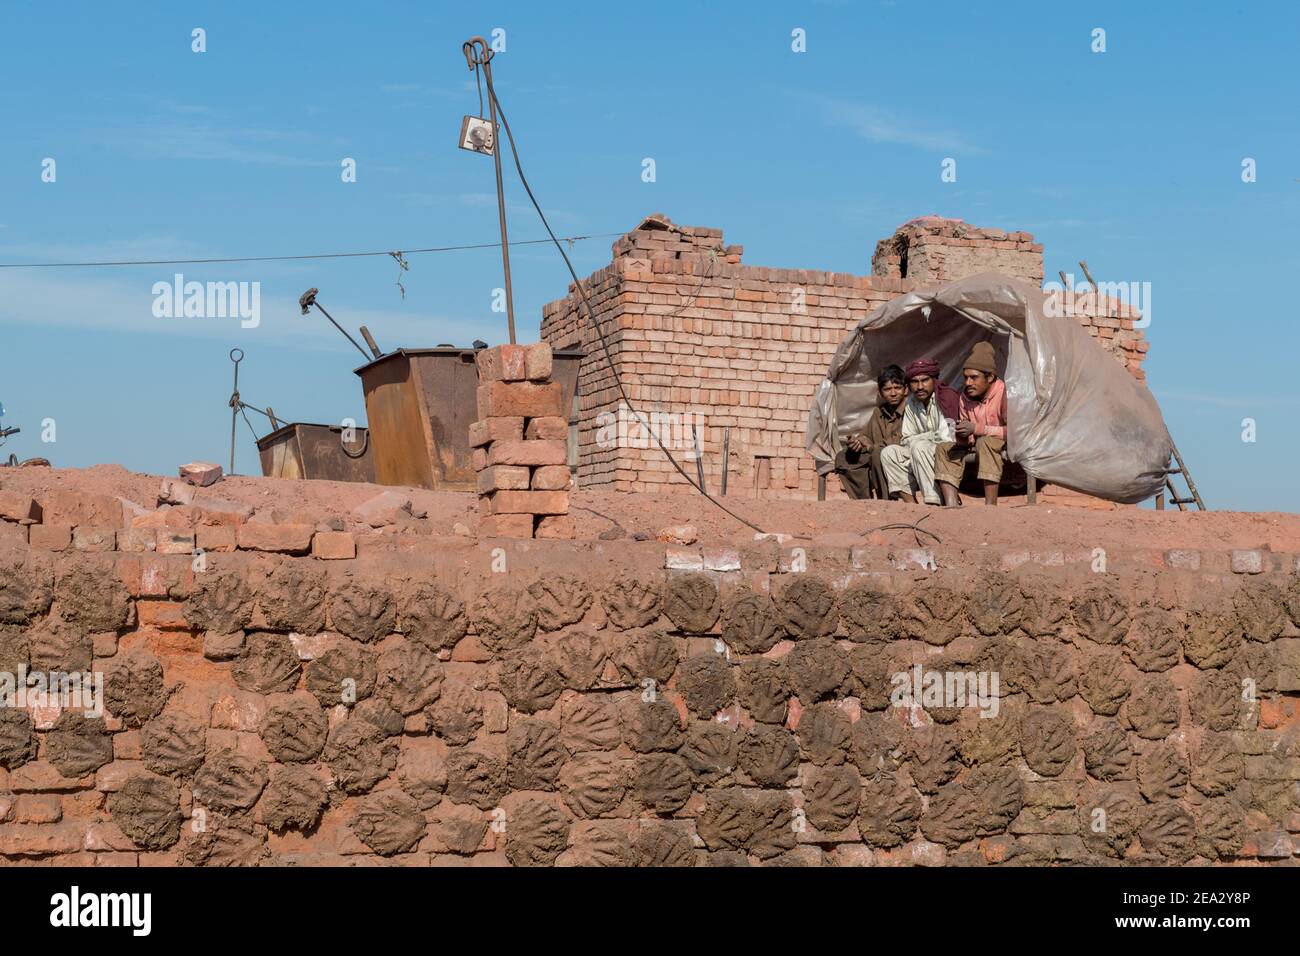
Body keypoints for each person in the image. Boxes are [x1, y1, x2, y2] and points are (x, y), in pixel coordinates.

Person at [934, 341, 1008, 506]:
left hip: (1003, 444)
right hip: (978, 443)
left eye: (974, 378)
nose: (968, 383)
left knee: (985, 442)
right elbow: (969, 439)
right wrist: (962, 435)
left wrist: (977, 429)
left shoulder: (1005, 393)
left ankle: (990, 505)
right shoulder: (964, 397)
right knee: (943, 449)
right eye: (966, 377)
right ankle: (951, 504)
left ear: (990, 377)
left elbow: (1016, 432)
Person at [880, 358, 961, 505]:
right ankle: (911, 505)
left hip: (948, 450)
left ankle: (933, 502)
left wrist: (919, 439)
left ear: (934, 380)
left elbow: (946, 437)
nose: (919, 386)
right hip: (921, 451)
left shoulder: (946, 397)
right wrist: (924, 438)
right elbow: (905, 439)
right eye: (914, 382)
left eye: (924, 380)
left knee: (919, 447)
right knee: (889, 453)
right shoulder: (911, 402)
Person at [834, 364, 907, 499]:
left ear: (906, 389)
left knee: (878, 454)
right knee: (843, 457)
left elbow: (904, 439)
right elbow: (866, 436)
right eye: (887, 389)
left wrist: (872, 447)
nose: (893, 393)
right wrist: (858, 442)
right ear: (880, 392)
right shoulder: (878, 412)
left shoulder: (912, 409)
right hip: (876, 453)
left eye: (897, 388)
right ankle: (863, 501)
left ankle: (886, 500)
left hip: (903, 458)